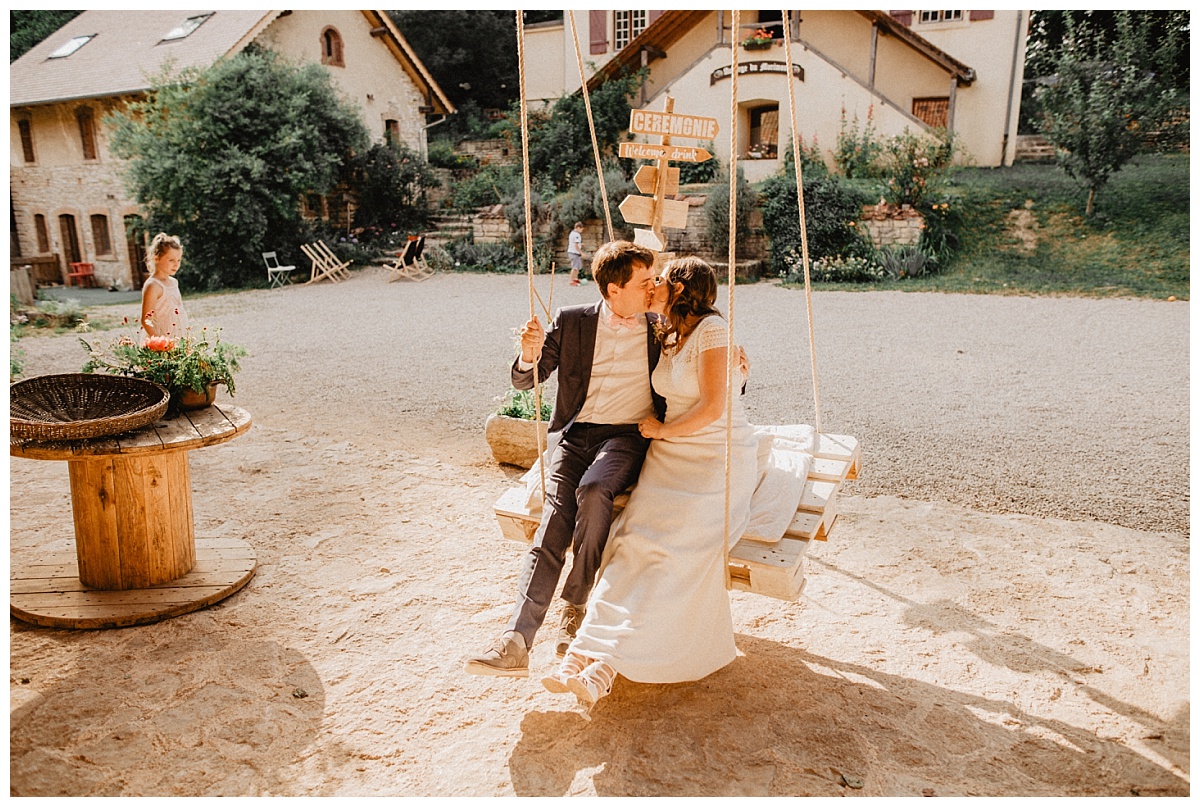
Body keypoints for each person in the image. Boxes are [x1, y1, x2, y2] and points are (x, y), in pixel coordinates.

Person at [540, 256, 760, 711]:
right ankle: (580, 655)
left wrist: (660, 430)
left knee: (673, 552)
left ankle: (606, 666)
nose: (652, 286)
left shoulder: (714, 331)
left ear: (679, 290)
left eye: (659, 281)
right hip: (668, 459)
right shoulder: (667, 330)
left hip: (711, 458)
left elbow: (714, 408)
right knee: (631, 543)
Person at [465, 241, 665, 677]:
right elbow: (525, 380)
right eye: (644, 282)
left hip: (627, 437)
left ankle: (575, 602)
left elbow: (695, 374)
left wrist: (737, 376)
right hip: (575, 437)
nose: (653, 288)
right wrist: (530, 351)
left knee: (594, 492)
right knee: (554, 522)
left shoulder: (660, 326)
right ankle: (516, 641)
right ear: (614, 289)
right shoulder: (573, 321)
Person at [140, 233, 189, 339]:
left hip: (178, 337)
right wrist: (162, 344)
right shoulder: (153, 285)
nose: (176, 264)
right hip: (161, 341)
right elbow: (146, 320)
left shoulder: (174, 282)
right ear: (156, 258)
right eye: (171, 260)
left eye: (179, 260)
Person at [567, 222, 586, 286]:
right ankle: (571, 281)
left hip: (573, 252)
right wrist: (582, 253)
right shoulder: (577, 235)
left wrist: (581, 244)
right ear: (578, 228)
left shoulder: (572, 233)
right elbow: (576, 245)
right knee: (575, 267)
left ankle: (575, 278)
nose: (582, 231)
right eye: (581, 229)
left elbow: (576, 243)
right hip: (574, 253)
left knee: (577, 267)